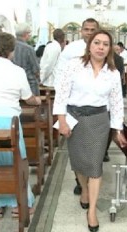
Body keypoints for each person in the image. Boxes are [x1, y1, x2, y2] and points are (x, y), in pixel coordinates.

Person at [53, 30, 127, 232]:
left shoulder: (112, 73)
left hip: (98, 121)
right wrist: (61, 120)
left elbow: (116, 103)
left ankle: (92, 211)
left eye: (105, 44)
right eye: (97, 43)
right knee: (78, 162)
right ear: (89, 45)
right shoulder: (74, 66)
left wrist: (117, 128)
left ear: (110, 48)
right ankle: (84, 189)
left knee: (95, 166)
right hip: (74, 118)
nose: (101, 47)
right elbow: (62, 93)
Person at [0, 32, 41, 217]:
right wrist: (38, 100)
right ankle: (20, 203)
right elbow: (28, 98)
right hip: (8, 121)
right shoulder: (16, 71)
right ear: (11, 50)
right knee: (17, 161)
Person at [54, 18, 99, 195]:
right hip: (73, 106)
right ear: (81, 31)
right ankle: (80, 181)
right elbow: (60, 73)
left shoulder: (101, 48)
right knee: (76, 148)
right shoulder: (71, 49)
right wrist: (62, 102)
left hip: (95, 107)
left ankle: (90, 180)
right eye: (86, 29)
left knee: (92, 148)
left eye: (92, 29)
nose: (89, 32)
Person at [12, 23, 41, 96]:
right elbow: (36, 69)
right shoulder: (28, 49)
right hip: (29, 83)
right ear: (25, 34)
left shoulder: (10, 46)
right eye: (29, 33)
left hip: (14, 83)